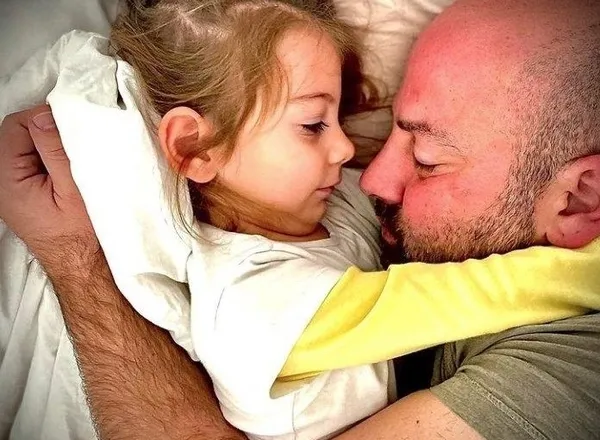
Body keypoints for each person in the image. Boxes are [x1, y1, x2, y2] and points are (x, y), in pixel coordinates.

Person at [0, 1, 598, 440]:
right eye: (314, 126)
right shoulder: (254, 298)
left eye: (425, 157)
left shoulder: (571, 368)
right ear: (194, 149)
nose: (358, 161)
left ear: (579, 200)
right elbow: (458, 294)